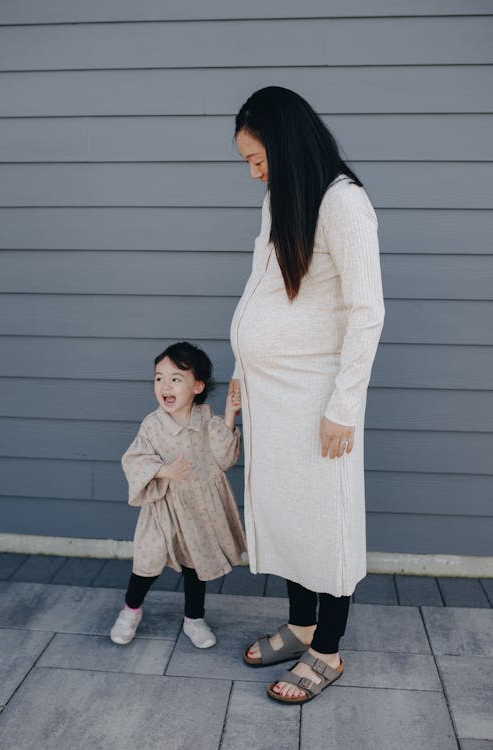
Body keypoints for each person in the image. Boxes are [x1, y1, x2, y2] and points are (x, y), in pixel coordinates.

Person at [229, 87, 385, 703]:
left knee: (328, 519)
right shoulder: (283, 198)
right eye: (246, 161)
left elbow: (366, 312)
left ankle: (329, 649)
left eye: (257, 158)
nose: (253, 171)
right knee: (290, 511)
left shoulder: (346, 204)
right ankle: (301, 624)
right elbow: (263, 285)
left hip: (321, 394)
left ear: (287, 142)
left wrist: (343, 406)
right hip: (272, 390)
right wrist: (243, 364)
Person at [110, 341, 246, 649]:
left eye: (175, 378)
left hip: (198, 507)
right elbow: (134, 458)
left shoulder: (206, 421)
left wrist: (229, 415)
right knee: (146, 562)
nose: (164, 385)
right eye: (159, 378)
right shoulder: (153, 424)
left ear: (197, 386)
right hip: (163, 507)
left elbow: (224, 458)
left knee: (194, 565)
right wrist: (163, 470)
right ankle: (130, 611)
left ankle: (194, 618)